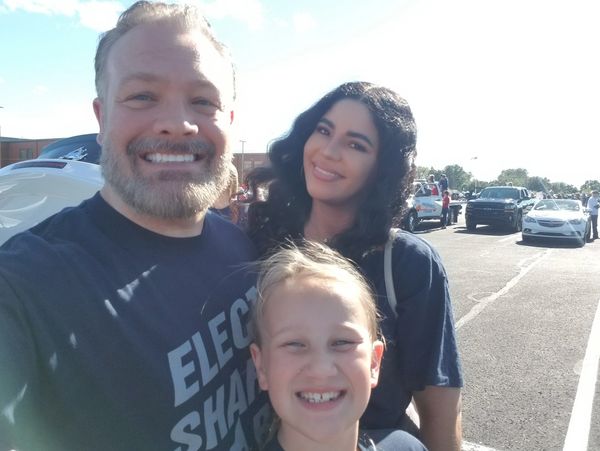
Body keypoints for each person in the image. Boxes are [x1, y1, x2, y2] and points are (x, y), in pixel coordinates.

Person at [0, 2, 269, 450]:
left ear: (230, 122)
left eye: (203, 101)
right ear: (102, 119)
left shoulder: (244, 250)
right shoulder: (26, 286)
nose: (178, 124)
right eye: (143, 96)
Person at [248, 81, 463, 451]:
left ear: (382, 167)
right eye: (324, 130)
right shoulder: (260, 240)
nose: (328, 152)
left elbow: (438, 402)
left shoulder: (407, 262)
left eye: (355, 144)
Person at [249, 241, 427, 451]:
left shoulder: (407, 447)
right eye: (294, 344)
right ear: (261, 367)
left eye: (342, 342)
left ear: (374, 362)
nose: (321, 369)